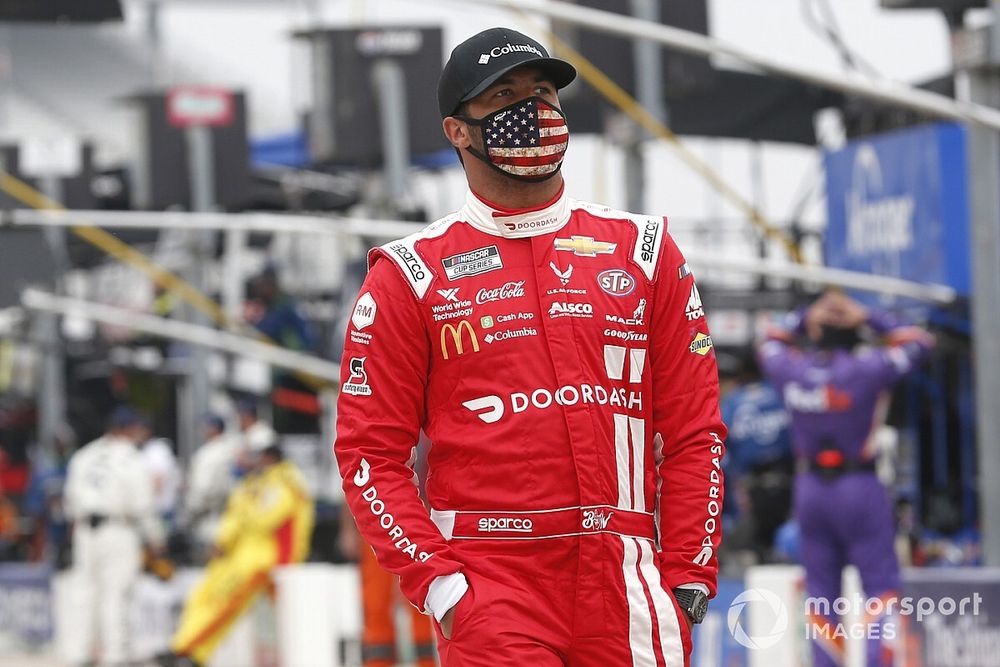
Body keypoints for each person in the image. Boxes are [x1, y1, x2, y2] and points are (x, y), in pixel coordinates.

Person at [335, 27, 726, 666]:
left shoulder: (644, 251)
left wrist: (688, 573)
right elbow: (367, 452)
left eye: (542, 92)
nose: (532, 109)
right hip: (491, 583)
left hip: (626, 575)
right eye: (504, 97)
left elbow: (694, 432)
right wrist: (439, 583)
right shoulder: (411, 273)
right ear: (457, 130)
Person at [758, 290, 935, 667]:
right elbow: (920, 341)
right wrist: (868, 315)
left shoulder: (790, 367)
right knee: (880, 590)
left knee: (822, 597)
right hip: (860, 487)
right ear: (855, 334)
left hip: (810, 491)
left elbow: (769, 338)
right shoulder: (869, 368)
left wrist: (808, 314)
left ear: (816, 334)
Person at [165, 429, 314, 667]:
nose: (243, 460)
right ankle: (181, 646)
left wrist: (245, 507)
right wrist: (221, 543)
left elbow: (265, 519)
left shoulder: (286, 482)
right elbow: (235, 519)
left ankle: (191, 652)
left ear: (267, 455)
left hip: (267, 559)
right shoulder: (254, 482)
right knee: (201, 595)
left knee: (224, 602)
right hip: (239, 554)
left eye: (250, 455)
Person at [64, 406, 164, 667]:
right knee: (116, 593)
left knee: (83, 592)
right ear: (128, 429)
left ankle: (78, 653)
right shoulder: (132, 458)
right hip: (118, 529)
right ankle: (115, 655)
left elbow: (69, 500)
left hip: (85, 529)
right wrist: (156, 537)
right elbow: (142, 505)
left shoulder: (85, 455)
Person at [719, 353, 793, 563]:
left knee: (758, 545)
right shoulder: (780, 392)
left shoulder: (732, 403)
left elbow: (724, 450)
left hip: (753, 485)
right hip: (788, 480)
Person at [183, 413, 240, 563]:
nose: (201, 430)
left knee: (212, 568)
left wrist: (189, 516)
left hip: (211, 518)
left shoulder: (208, 454)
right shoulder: (233, 449)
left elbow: (202, 489)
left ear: (213, 429)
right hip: (234, 518)